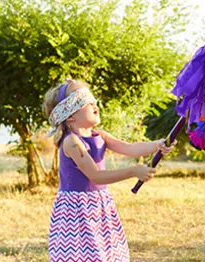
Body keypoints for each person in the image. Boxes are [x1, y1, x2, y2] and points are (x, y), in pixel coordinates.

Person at [43, 79, 175, 261]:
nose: (94, 104)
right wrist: (132, 171)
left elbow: (130, 148)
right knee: (81, 255)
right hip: (76, 211)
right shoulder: (71, 142)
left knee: (106, 254)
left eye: (92, 99)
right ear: (70, 115)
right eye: (85, 102)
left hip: (99, 205)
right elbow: (96, 176)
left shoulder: (100, 136)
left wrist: (158, 145)